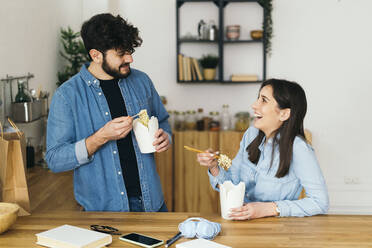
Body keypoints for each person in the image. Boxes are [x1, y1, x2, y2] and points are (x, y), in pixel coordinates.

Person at [46, 13, 171, 212]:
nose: (129, 58)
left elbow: (162, 120)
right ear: (96, 55)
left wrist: (166, 137)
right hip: (103, 213)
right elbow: (55, 159)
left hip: (153, 204)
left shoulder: (142, 81)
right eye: (121, 53)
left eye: (129, 51)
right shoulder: (67, 96)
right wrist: (100, 137)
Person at [197, 79, 329, 220]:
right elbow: (233, 185)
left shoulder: (298, 148)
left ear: (284, 114)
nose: (254, 105)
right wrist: (214, 167)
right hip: (242, 225)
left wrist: (269, 208)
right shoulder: (251, 134)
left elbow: (320, 202)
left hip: (279, 230)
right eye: (257, 98)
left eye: (264, 100)